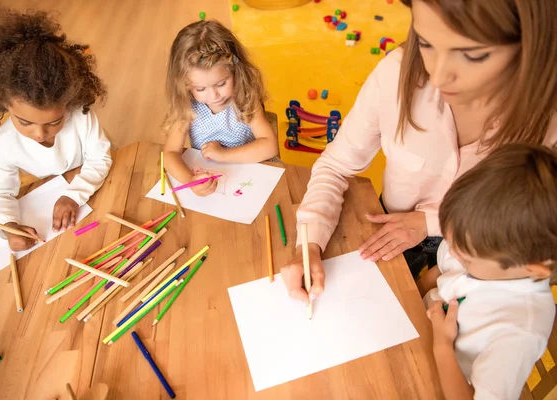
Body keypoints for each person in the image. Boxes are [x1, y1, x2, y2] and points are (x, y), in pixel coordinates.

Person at [281, 0, 557, 303]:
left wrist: (430, 222)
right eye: (426, 43)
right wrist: (307, 246)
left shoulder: (547, 113)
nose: (437, 78)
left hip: (496, 255)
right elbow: (335, 165)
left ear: (530, 45)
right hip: (393, 229)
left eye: (472, 55)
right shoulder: (396, 75)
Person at [0, 10, 112, 251]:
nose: (41, 134)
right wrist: (9, 225)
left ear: (69, 103)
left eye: (54, 122)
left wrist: (73, 196)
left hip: (94, 191)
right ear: (5, 106)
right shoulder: (6, 141)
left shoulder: (81, 117)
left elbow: (101, 158)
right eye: (25, 122)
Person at [424, 143, 557, 400]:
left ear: (532, 269)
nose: (452, 253)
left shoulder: (518, 332)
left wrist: (442, 345)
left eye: (467, 258)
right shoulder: (483, 245)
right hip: (418, 333)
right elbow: (442, 272)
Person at [163, 20, 278, 197]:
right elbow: (170, 153)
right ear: (184, 85)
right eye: (200, 89)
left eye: (221, 83)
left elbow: (270, 146)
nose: (214, 96)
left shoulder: (244, 97)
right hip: (215, 182)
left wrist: (223, 155)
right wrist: (189, 180)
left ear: (235, 70)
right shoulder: (187, 105)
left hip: (252, 173)